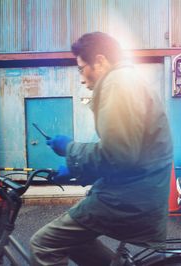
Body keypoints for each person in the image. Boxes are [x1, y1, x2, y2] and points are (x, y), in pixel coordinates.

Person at [29, 32, 173, 266]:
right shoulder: (126, 80)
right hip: (137, 193)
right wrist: (76, 169)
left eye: (80, 68)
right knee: (75, 240)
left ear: (100, 61)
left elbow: (119, 155)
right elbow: (123, 154)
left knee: (43, 245)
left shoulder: (118, 84)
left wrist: (70, 150)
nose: (81, 78)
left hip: (126, 199)